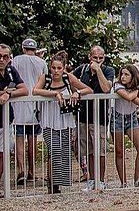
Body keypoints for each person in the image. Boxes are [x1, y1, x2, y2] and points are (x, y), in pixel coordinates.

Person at [33, 54, 93, 194]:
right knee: (54, 150)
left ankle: (59, 183)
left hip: (65, 119)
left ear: (64, 68)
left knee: (63, 150)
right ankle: (52, 184)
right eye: (53, 67)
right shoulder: (45, 78)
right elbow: (35, 90)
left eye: (59, 68)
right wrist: (54, 94)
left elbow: (88, 89)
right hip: (48, 118)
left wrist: (76, 93)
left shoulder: (68, 78)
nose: (56, 71)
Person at [73, 45, 115, 191]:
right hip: (84, 115)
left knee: (100, 150)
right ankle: (91, 179)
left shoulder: (108, 70)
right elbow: (69, 78)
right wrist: (77, 91)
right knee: (89, 150)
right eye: (95, 57)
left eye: (100, 58)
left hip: (100, 117)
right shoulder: (82, 69)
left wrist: (98, 70)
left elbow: (106, 88)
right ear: (89, 57)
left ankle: (101, 180)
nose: (97, 60)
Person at [11, 38, 46, 185]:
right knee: (32, 139)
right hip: (35, 103)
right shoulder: (41, 62)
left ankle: (21, 169)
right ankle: (32, 171)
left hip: (19, 103)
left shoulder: (16, 60)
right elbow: (44, 80)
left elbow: (12, 79)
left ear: (23, 48)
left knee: (19, 138)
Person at [112, 64, 139, 187]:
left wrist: (134, 93)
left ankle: (137, 178)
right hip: (117, 118)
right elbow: (128, 97)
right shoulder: (117, 85)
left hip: (131, 118)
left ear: (133, 76)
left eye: (126, 74)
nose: (123, 77)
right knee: (119, 151)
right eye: (122, 74)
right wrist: (136, 92)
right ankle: (123, 182)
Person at [0, 44, 29, 184]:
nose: (1, 59)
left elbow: (24, 89)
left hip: (6, 120)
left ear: (9, 58)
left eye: (5, 56)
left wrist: (8, 93)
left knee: (3, 154)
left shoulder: (11, 71)